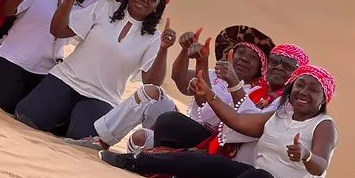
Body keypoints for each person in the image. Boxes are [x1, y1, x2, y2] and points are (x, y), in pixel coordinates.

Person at [99, 64, 339, 178]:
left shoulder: (323, 125)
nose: (303, 92)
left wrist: (306, 155)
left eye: (313, 89)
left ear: (324, 98)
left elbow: (320, 165)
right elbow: (238, 121)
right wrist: (210, 96)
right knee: (210, 162)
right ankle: (134, 162)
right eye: (300, 85)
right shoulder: (279, 116)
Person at [14, 0, 175, 139]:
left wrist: (163, 48)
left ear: (158, 6)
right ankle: (61, 116)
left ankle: (66, 119)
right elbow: (58, 30)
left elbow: (152, 83)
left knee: (82, 140)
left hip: (102, 97)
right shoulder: (105, 7)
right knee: (27, 117)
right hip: (67, 79)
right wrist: (69, 0)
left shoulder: (154, 38)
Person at [64, 24, 275, 152]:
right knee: (150, 93)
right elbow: (179, 79)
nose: (244, 59)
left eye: (252, 57)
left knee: (140, 139)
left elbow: (211, 112)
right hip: (180, 127)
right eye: (241, 52)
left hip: (205, 143)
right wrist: (185, 51)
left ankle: (155, 161)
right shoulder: (215, 75)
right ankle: (102, 140)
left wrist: (203, 63)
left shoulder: (257, 94)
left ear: (261, 67)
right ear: (230, 54)